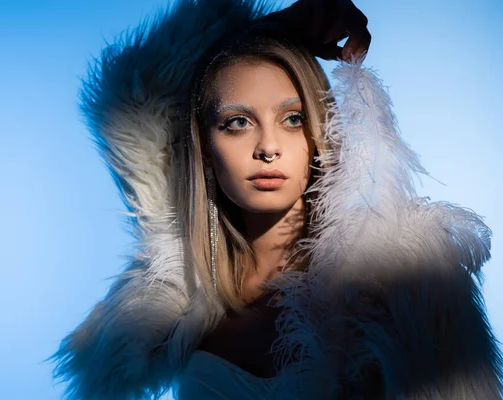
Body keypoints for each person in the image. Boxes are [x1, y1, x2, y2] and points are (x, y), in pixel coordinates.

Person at [47, 1, 503, 399]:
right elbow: (133, 102)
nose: (268, 146)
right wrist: (277, 26)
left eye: (291, 118)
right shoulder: (175, 299)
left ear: (319, 133)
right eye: (237, 122)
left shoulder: (403, 278)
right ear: (204, 148)